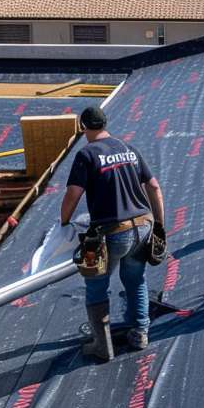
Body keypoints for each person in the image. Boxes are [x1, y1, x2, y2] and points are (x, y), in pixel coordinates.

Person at [58, 106, 166, 361]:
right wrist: (159, 225)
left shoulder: (86, 154)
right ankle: (140, 333)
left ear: (83, 127)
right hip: (142, 227)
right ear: (105, 123)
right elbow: (154, 186)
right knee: (136, 280)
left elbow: (73, 194)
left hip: (111, 232)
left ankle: (102, 345)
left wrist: (63, 223)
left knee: (96, 284)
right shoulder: (128, 148)